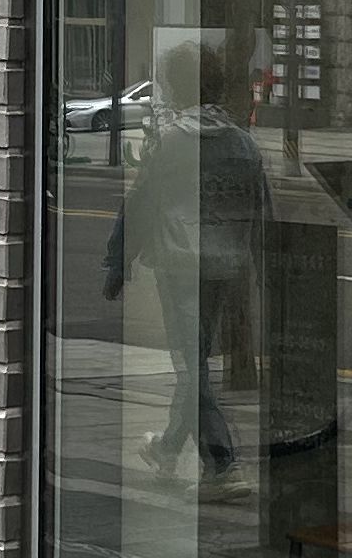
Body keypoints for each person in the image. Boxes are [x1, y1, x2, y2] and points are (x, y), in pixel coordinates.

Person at [104, 43, 263, 480]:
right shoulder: (243, 143)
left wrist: (118, 262)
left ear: (176, 86)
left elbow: (139, 205)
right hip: (229, 265)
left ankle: (220, 463)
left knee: (191, 366)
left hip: (181, 266)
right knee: (195, 361)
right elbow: (261, 209)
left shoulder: (173, 142)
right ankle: (169, 446)